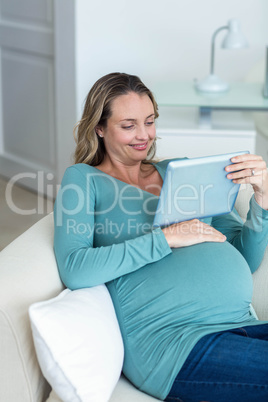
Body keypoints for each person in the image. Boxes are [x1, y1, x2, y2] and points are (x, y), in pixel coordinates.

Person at [54, 72, 268, 402]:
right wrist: (165, 238)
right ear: (100, 127)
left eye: (150, 121)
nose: (144, 136)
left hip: (239, 324)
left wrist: (262, 200)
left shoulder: (183, 171)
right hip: (176, 344)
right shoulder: (83, 179)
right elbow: (75, 267)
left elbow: (247, 258)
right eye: (128, 125)